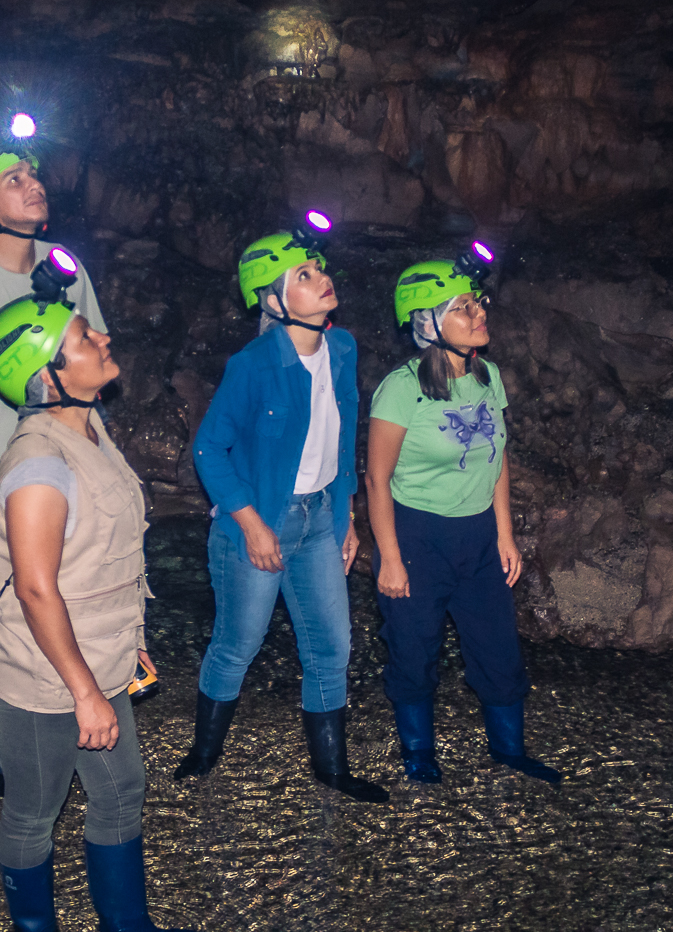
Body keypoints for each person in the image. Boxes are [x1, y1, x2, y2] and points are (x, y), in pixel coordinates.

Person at [0, 277, 190, 932]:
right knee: (33, 811)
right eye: (83, 337)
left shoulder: (89, 428)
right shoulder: (39, 462)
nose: (103, 336)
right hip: (47, 678)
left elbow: (103, 558)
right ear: (48, 374)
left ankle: (126, 924)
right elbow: (37, 588)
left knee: (122, 790)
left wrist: (130, 640)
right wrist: (85, 694)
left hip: (97, 657)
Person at [174, 220, 389, 802]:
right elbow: (208, 449)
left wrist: (347, 517)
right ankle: (202, 756)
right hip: (260, 523)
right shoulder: (253, 365)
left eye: (318, 269)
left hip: (321, 521)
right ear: (273, 301)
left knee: (332, 647)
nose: (322, 279)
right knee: (237, 645)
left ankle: (332, 771)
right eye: (304, 275)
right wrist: (251, 525)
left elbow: (342, 439)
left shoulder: (342, 349)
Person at [0, 120, 107, 795]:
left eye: (33, 175)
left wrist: (103, 461)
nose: (34, 186)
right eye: (14, 180)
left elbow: (91, 365)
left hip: (65, 471)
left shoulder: (63, 265)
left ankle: (68, 725)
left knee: (65, 599)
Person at [367, 248, 561, 788]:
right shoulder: (401, 389)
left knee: (498, 647)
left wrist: (505, 534)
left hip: (477, 535)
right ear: (428, 323)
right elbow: (377, 479)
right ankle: (419, 754)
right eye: (462, 307)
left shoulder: (487, 375)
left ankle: (510, 751)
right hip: (417, 537)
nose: (478, 313)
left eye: (477, 302)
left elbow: (496, 456)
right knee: (413, 649)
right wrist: (390, 558)